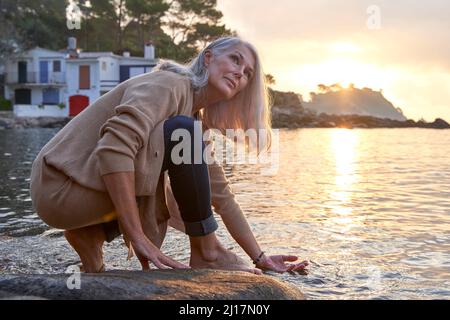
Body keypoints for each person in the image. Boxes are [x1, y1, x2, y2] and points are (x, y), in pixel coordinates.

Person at [30, 36, 308, 274]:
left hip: (75, 195)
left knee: (184, 138)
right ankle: (208, 253)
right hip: (60, 187)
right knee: (180, 132)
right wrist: (138, 237)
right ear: (208, 58)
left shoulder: (194, 121)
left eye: (247, 73)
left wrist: (260, 257)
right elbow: (114, 148)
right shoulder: (169, 84)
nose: (240, 73)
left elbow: (221, 196)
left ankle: (91, 234)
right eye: (236, 60)